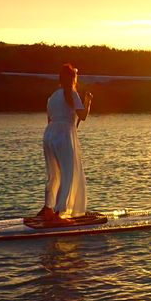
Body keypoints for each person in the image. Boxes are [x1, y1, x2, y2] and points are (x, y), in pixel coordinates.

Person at [36, 63, 93, 223]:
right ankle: (59, 213)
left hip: (49, 134)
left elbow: (49, 119)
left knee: (53, 174)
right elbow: (82, 116)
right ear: (73, 79)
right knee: (68, 173)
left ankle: (48, 208)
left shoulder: (53, 96)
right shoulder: (72, 94)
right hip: (63, 134)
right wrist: (88, 101)